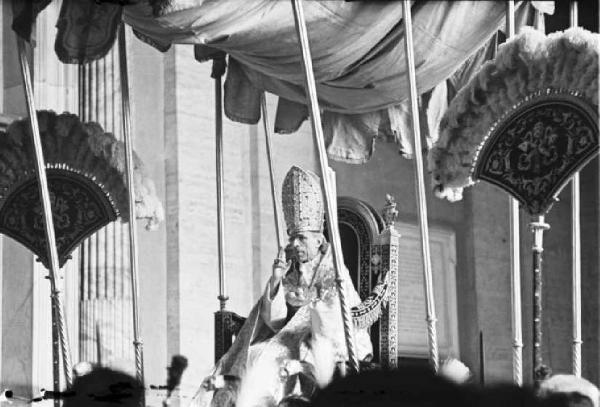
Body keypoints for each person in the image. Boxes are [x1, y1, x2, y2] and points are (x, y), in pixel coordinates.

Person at [193, 166, 372, 407]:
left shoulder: (335, 270)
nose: (295, 244)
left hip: (311, 344)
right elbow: (273, 321)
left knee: (267, 365)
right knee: (251, 357)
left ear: (319, 240)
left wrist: (312, 304)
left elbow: (341, 317)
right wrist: (277, 280)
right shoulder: (292, 269)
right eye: (292, 238)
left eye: (301, 238)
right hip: (283, 339)